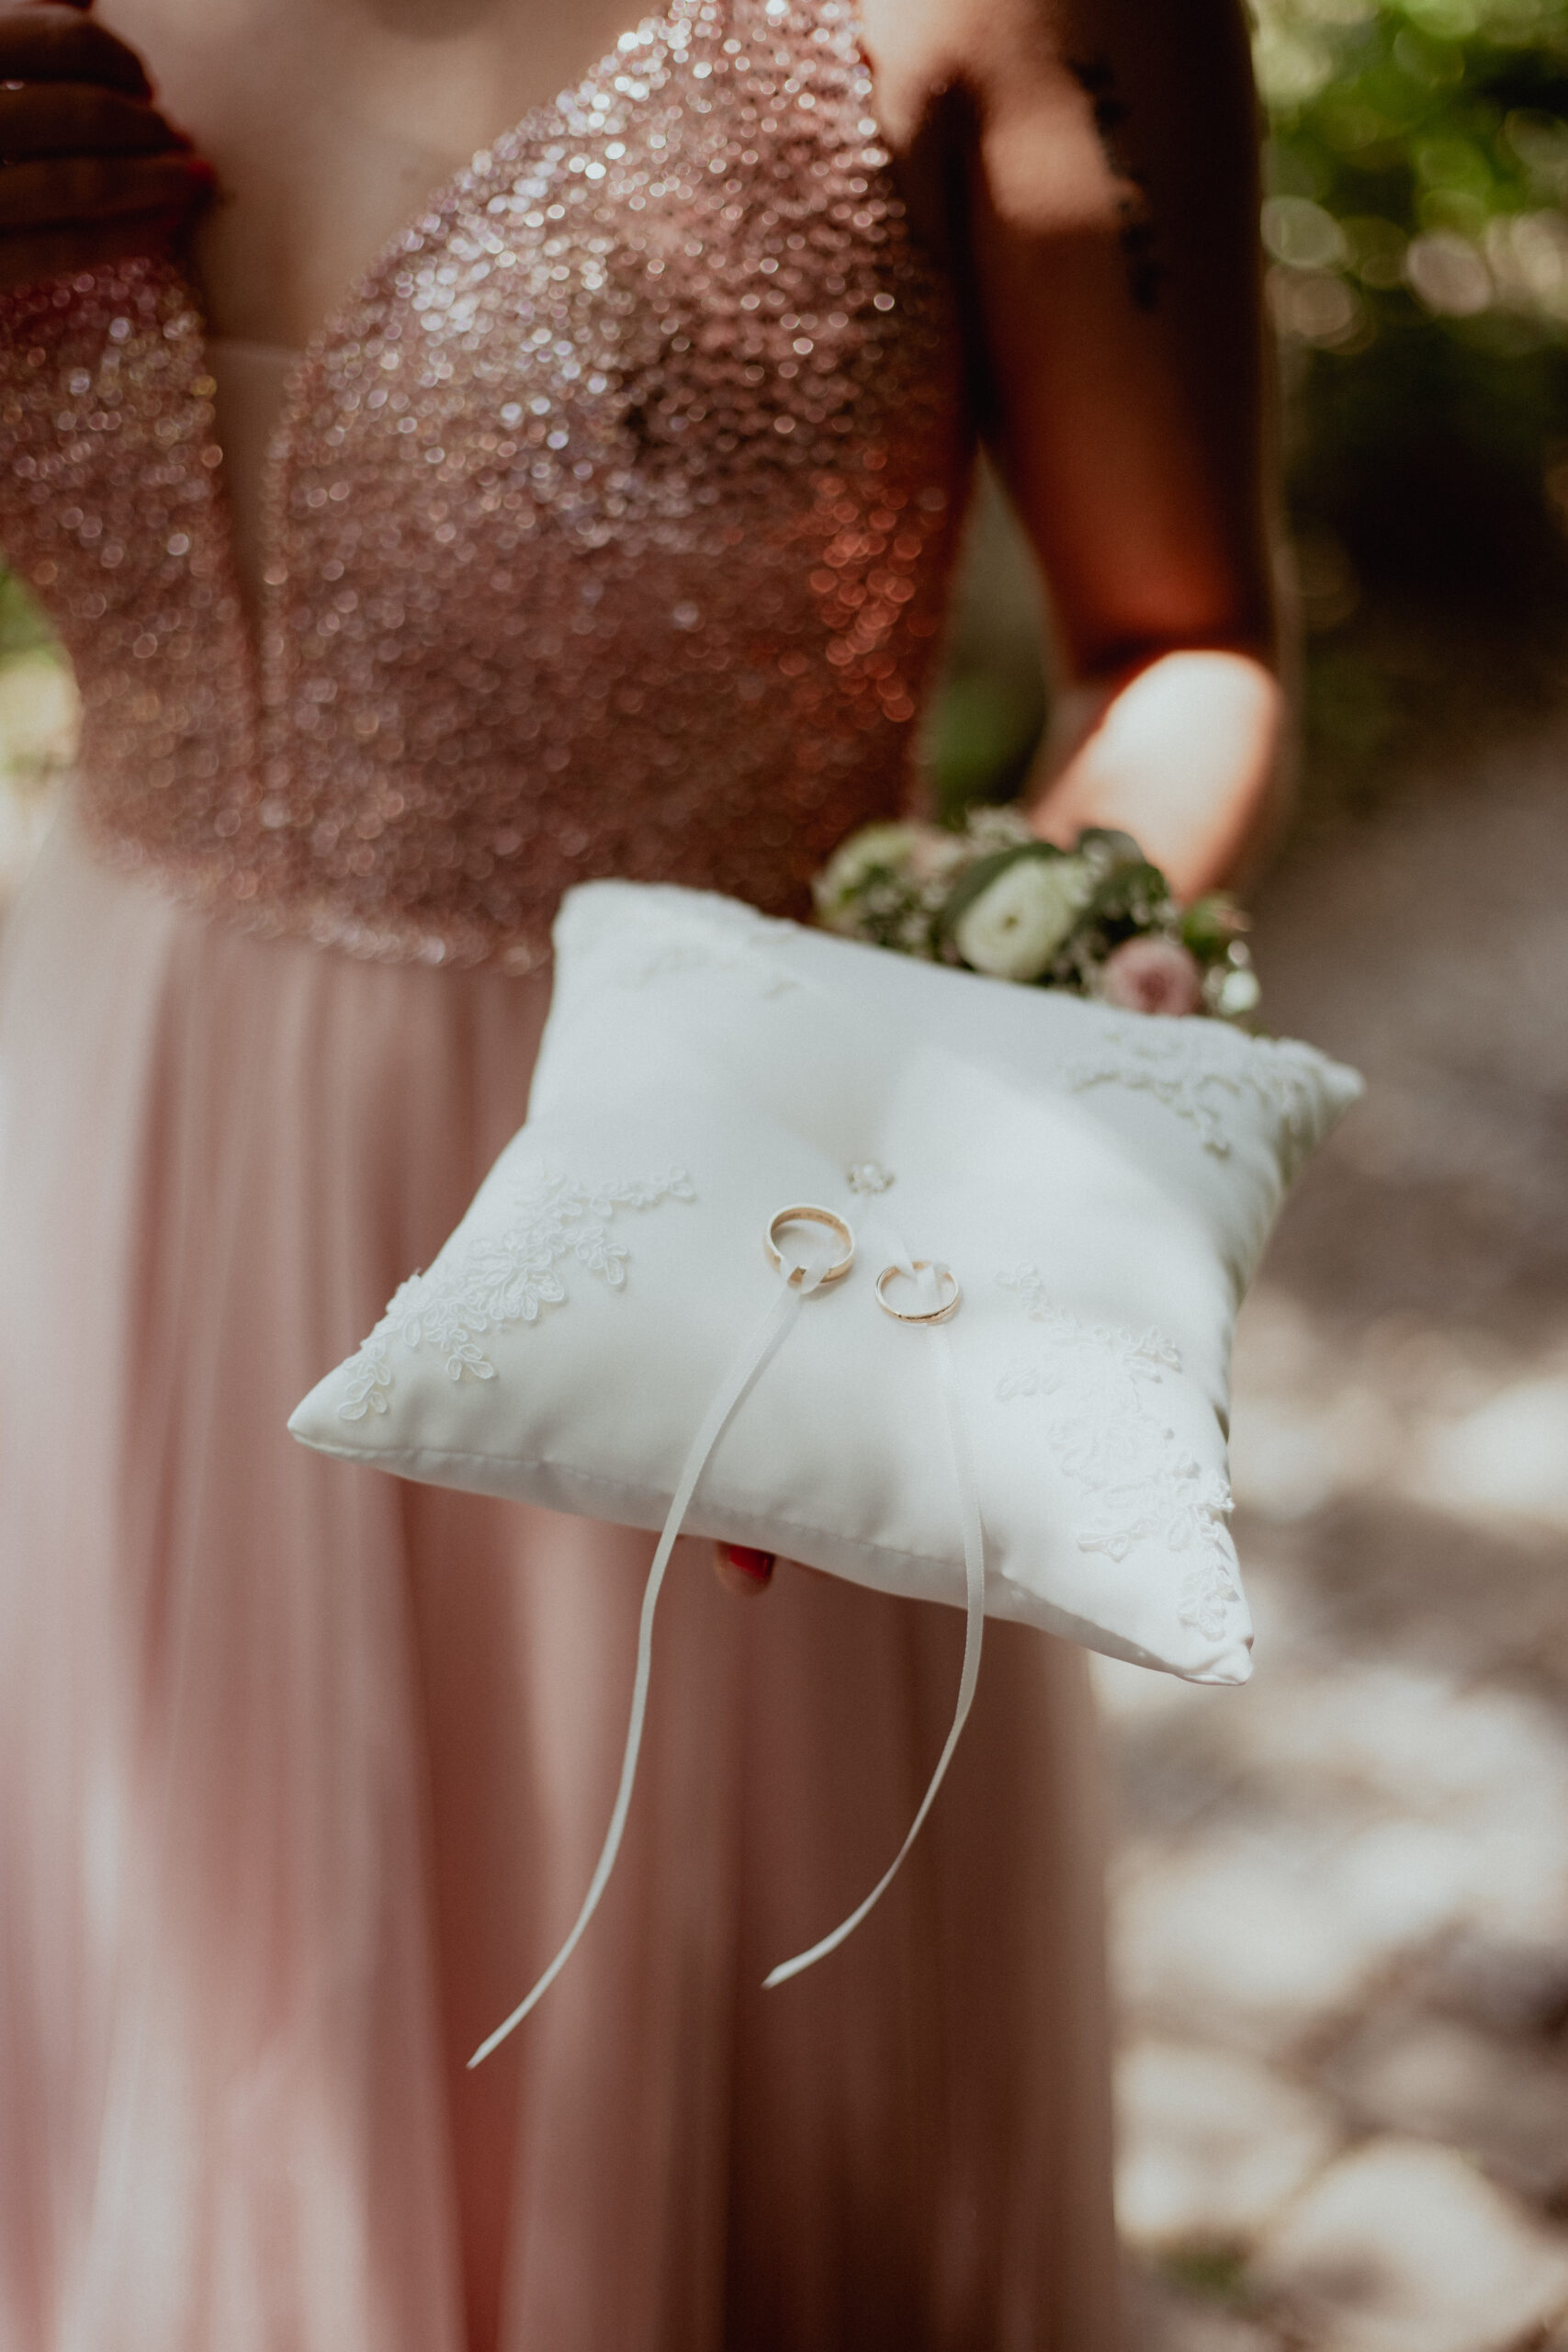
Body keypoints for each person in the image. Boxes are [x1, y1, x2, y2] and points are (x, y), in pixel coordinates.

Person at [0, 0, 1280, 2344]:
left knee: (681, 2107)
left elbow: (1181, 639)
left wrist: (969, 1113)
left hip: (724, 1231)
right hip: (111, 1164)